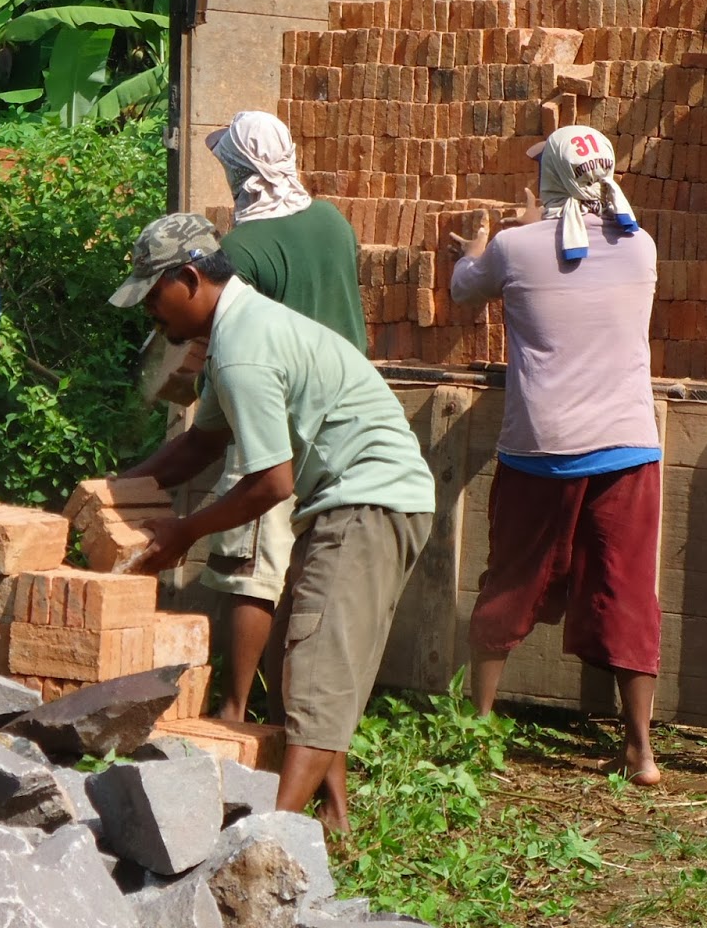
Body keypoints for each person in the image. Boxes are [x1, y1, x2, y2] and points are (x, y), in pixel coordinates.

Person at [111, 212, 434, 833]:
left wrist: (186, 532)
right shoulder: (240, 328)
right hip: (357, 499)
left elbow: (272, 483)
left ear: (188, 278)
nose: (153, 312)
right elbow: (200, 446)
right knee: (311, 665)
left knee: (313, 674)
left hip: (367, 501)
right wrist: (115, 492)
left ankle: (266, 843)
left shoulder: (241, 351)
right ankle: (333, 825)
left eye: (155, 295)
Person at [449, 124, 663, 786]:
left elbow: (464, 288)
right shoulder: (641, 245)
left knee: (511, 580)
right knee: (627, 592)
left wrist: (480, 245)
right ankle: (642, 754)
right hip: (629, 448)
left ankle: (477, 738)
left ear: (553, 181)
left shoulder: (514, 248)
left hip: (541, 450)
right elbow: (578, 253)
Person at [201, 110, 367, 725]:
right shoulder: (331, 221)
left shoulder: (240, 249)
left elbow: (230, 335)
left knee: (255, 566)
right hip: (346, 417)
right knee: (308, 575)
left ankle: (236, 707)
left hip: (279, 419)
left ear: (239, 171)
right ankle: (294, 709)